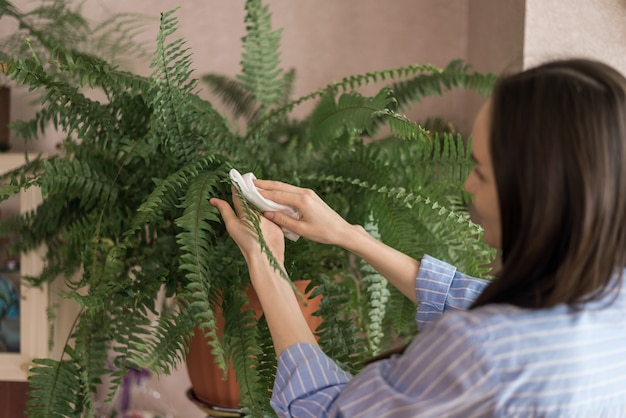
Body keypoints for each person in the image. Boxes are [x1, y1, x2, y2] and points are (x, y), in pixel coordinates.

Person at [209, 58, 626, 417]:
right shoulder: (610, 299)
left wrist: (266, 261)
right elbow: (466, 296)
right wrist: (349, 235)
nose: (467, 184)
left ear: (536, 192)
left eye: (479, 170)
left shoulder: (480, 352)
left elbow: (328, 409)